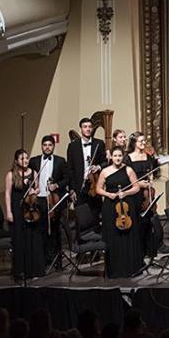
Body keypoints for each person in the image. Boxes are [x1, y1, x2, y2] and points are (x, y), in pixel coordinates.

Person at [95, 146, 143, 278]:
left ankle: (130, 268)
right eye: (115, 156)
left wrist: (125, 192)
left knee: (128, 236)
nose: (117, 158)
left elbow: (136, 187)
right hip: (110, 207)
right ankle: (115, 269)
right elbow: (98, 189)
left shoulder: (128, 169)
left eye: (119, 156)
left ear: (123, 157)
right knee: (113, 237)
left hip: (126, 205)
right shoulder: (105, 171)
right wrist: (108, 194)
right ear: (111, 157)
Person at [4, 149, 46, 280]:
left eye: (27, 158)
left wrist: (35, 190)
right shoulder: (11, 175)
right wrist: (9, 212)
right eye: (22, 158)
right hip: (17, 210)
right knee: (19, 240)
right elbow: (7, 194)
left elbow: (38, 189)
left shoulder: (33, 172)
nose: (26, 160)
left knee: (31, 240)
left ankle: (33, 271)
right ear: (16, 160)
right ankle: (20, 271)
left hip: (30, 210)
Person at [28, 135, 70, 264]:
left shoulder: (60, 161)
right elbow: (29, 178)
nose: (47, 147)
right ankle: (43, 258)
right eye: (45, 145)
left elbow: (67, 178)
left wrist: (57, 185)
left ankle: (57, 259)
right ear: (41, 146)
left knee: (55, 229)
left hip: (54, 199)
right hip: (38, 200)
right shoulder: (34, 161)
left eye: (50, 145)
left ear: (53, 146)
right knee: (41, 229)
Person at [126, 131, 159, 258]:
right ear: (134, 143)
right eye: (141, 141)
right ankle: (137, 251)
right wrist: (139, 184)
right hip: (135, 193)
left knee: (148, 221)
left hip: (146, 192)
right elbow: (126, 177)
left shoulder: (147, 156)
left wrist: (149, 182)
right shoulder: (128, 158)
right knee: (137, 221)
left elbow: (153, 173)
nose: (144, 143)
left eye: (145, 141)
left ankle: (149, 250)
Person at [67, 116, 108, 204]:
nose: (88, 129)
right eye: (85, 127)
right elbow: (70, 169)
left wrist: (98, 167)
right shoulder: (73, 146)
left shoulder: (99, 143)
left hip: (95, 185)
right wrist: (72, 189)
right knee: (82, 215)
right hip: (79, 186)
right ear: (81, 129)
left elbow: (105, 162)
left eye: (90, 127)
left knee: (95, 214)